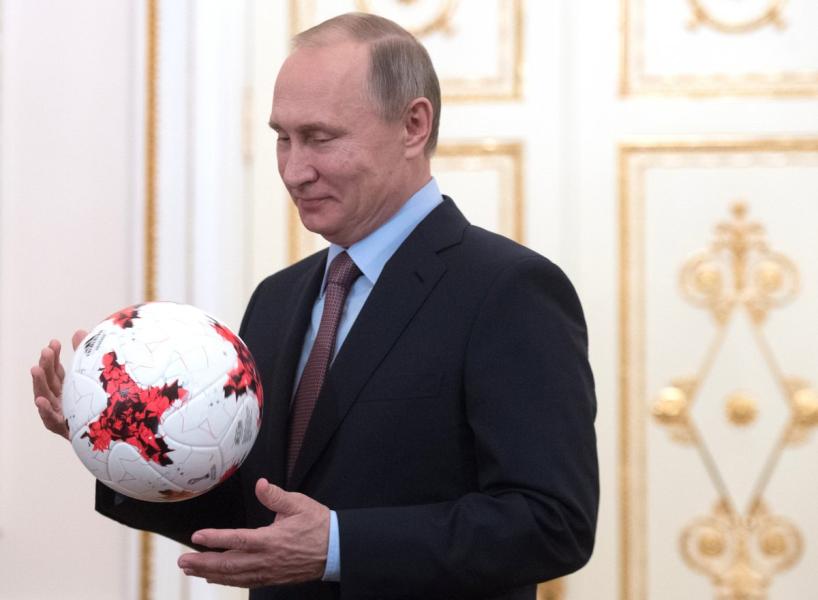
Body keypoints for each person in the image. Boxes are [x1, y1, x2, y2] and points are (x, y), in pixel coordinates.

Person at [32, 12, 598, 600]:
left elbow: (553, 522)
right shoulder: (277, 299)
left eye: (320, 138)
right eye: (283, 138)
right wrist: (116, 436)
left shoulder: (510, 291)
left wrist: (337, 546)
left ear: (413, 125)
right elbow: (257, 517)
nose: (294, 171)